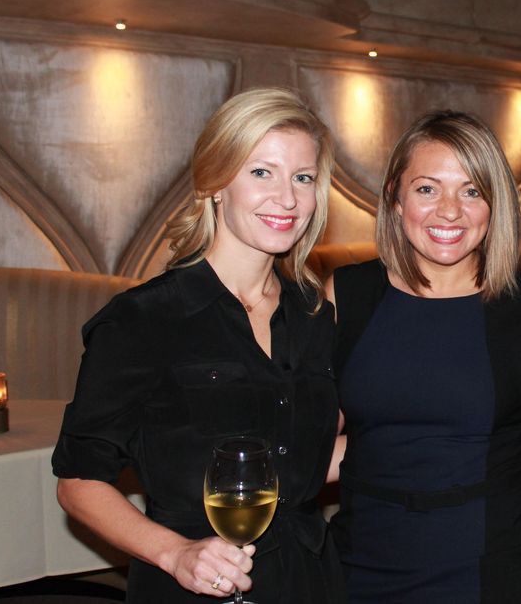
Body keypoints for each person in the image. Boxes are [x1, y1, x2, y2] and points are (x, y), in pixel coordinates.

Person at [52, 87, 346, 603]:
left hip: (307, 579)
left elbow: (315, 453)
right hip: (187, 586)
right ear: (215, 183)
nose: (288, 198)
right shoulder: (142, 319)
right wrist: (175, 554)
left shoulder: (315, 313)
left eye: (303, 178)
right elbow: (78, 482)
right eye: (261, 172)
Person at [325, 110, 521, 603]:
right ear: (394, 198)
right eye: (427, 189)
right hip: (360, 566)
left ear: (495, 205)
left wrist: (518, 444)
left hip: (492, 571)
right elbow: (313, 436)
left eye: (472, 191)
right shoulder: (347, 293)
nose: (450, 211)